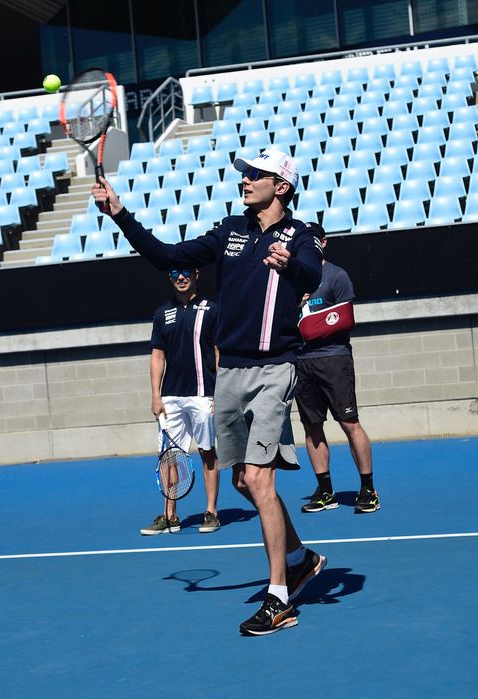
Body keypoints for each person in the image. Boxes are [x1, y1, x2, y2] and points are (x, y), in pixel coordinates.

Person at [92, 149, 325, 635]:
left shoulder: (299, 236)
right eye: (245, 175)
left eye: (255, 176)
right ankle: (300, 559)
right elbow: (167, 256)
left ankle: (279, 597)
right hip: (232, 375)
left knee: (260, 481)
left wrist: (291, 267)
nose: (245, 181)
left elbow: (312, 272)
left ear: (280, 186)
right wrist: (119, 213)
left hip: (273, 369)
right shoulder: (230, 232)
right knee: (243, 482)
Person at [295, 223, 380, 514]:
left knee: (349, 422)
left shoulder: (335, 275)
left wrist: (308, 324)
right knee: (311, 426)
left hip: (333, 359)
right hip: (301, 363)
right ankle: (325, 491)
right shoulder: (289, 279)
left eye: (311, 240)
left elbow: (344, 319)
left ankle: (368, 488)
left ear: (323, 242)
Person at [140, 266, 221, 535]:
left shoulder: (212, 309)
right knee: (169, 457)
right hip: (170, 398)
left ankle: (211, 512)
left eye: (186, 271)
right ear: (169, 277)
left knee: (208, 452)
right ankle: (169, 515)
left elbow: (220, 352)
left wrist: (219, 394)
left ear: (197, 274)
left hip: (203, 395)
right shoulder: (162, 313)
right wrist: (155, 395)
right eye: (175, 272)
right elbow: (157, 356)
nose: (181, 277)